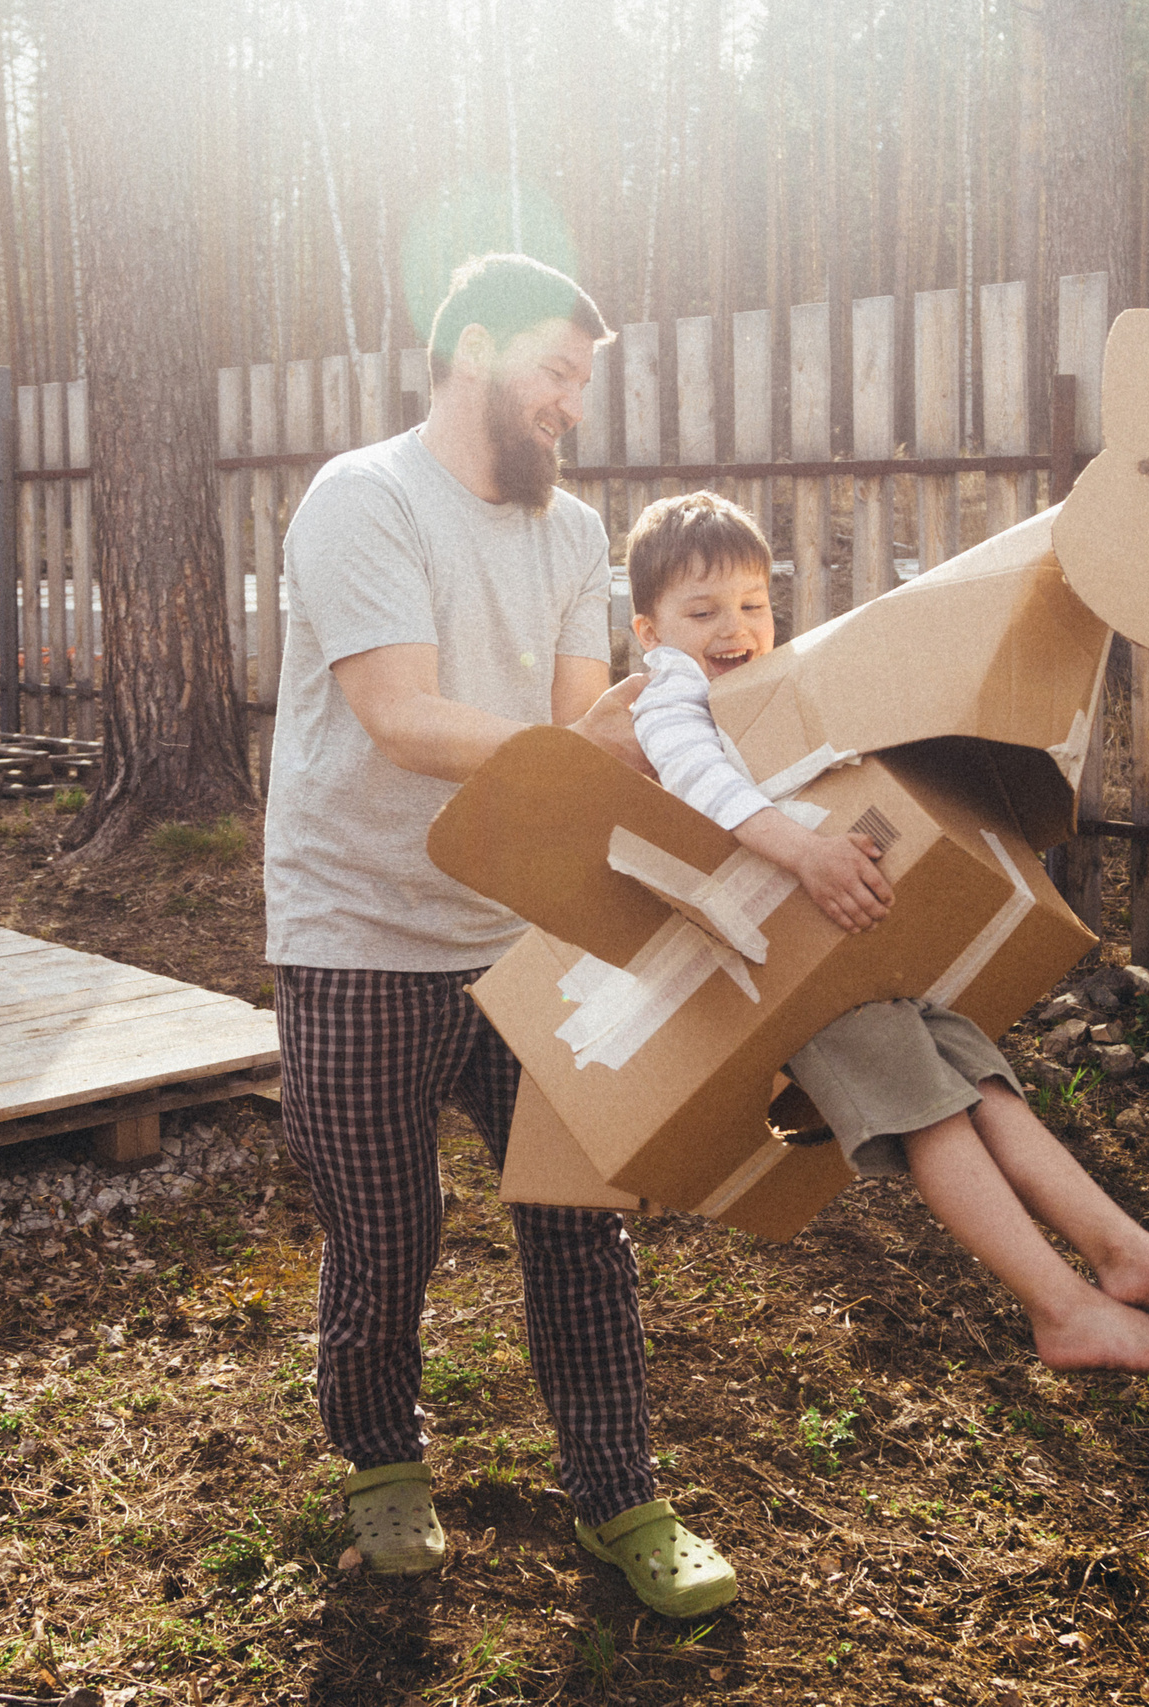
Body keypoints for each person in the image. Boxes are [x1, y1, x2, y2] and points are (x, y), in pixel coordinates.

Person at [265, 254, 735, 1617]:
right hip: (357, 928)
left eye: (582, 383)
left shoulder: (573, 532)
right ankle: (380, 1462)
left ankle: (620, 1491)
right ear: (473, 348)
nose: (571, 405)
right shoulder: (363, 498)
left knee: (581, 1220)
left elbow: (582, 734)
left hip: (528, 929)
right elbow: (403, 720)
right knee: (385, 1230)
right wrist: (580, 748)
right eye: (555, 372)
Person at [623, 490, 1149, 1373]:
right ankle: (1062, 1306)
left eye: (753, 604)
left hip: (841, 951)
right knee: (930, 1112)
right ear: (650, 632)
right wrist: (806, 853)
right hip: (773, 963)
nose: (735, 628)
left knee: (975, 1073)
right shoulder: (670, 695)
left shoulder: (768, 689)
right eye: (702, 613)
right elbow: (700, 781)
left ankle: (1119, 1246)